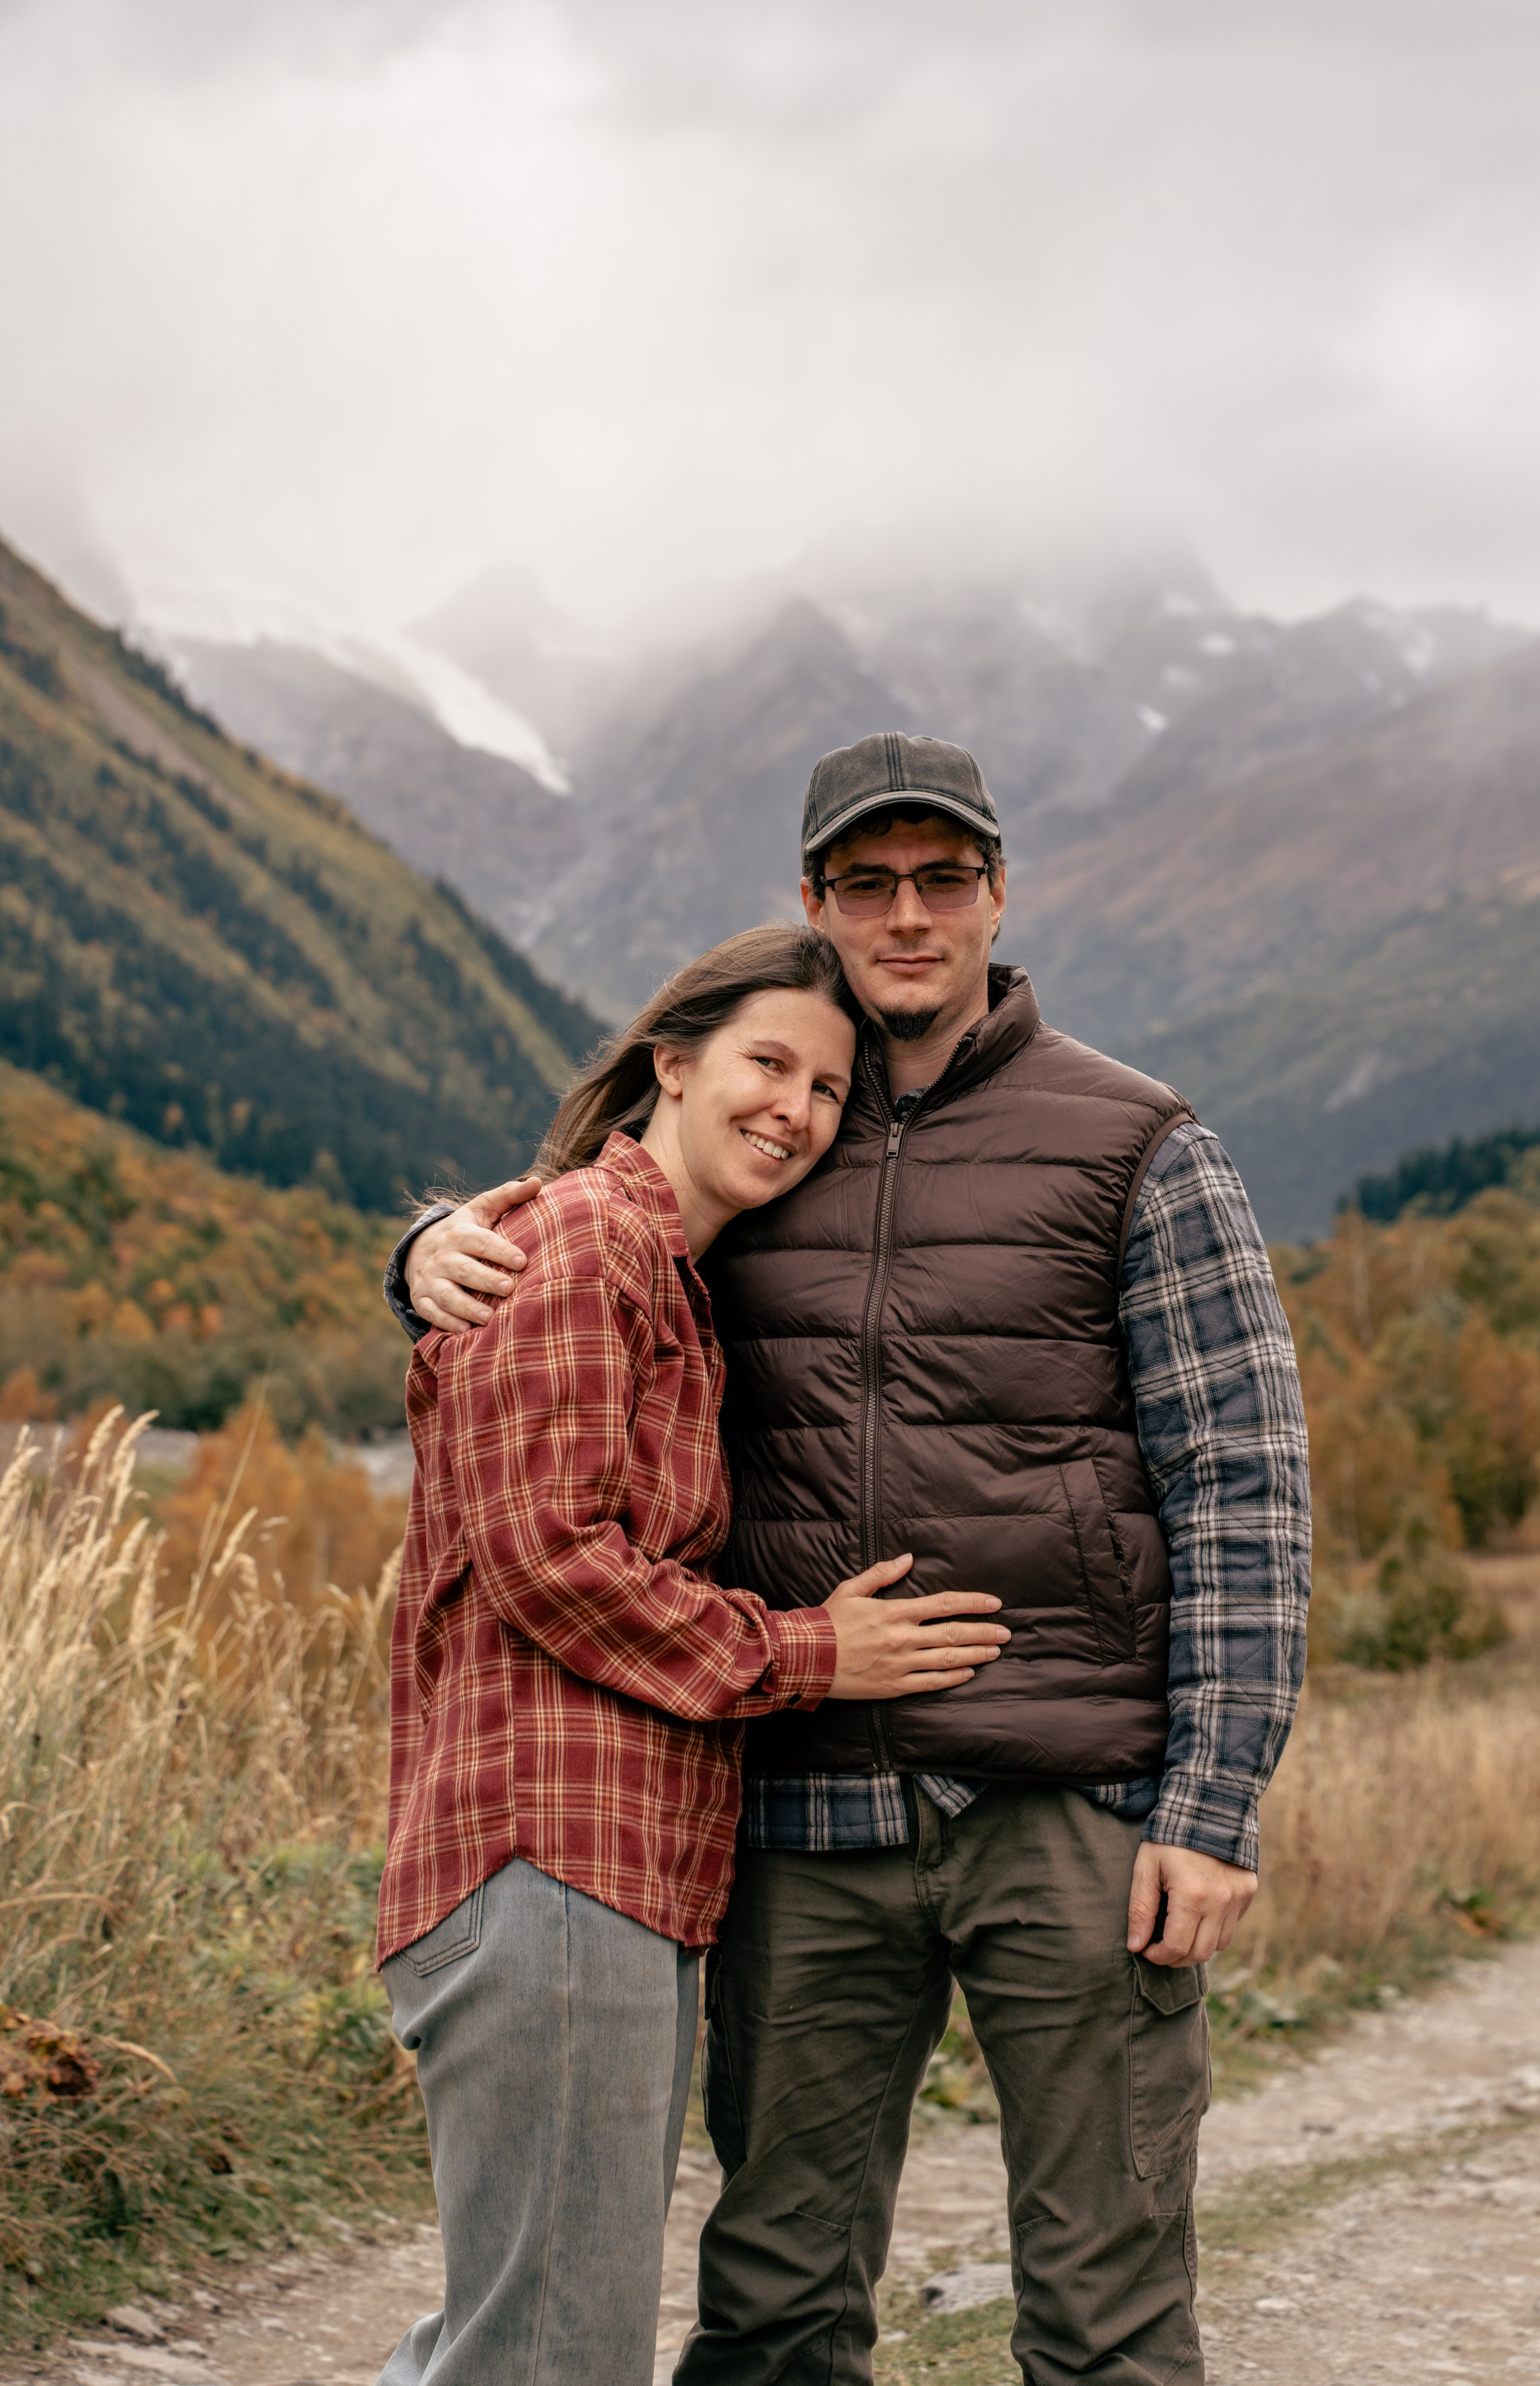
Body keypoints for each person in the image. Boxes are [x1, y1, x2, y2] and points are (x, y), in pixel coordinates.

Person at [397, 735, 1312, 2386]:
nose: (907, 914)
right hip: (799, 1816)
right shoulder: (769, 1144)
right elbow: (574, 1269)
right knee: (775, 2309)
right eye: (866, 882)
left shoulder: (1134, 1143)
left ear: (996, 893)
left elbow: (1240, 1484)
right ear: (813, 902)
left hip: (1066, 1807)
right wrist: (425, 1251)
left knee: (1106, 2315)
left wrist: (1212, 1801)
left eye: (940, 878)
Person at [374, 922, 1010, 2386]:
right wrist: (814, 1655)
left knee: (522, 2338)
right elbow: (553, 1557)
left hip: (606, 1872)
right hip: (548, 1855)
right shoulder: (587, 1242)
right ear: (671, 1062)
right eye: (767, 1064)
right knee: (548, 2353)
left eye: (828, 1089)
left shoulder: (669, 1273)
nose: (795, 1109)